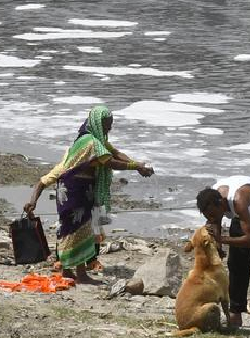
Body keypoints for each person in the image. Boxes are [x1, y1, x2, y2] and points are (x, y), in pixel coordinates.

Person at [24, 105, 154, 283]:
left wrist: (137, 163)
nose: (109, 128)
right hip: (75, 190)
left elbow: (116, 153)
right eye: (107, 125)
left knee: (72, 229)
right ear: (97, 123)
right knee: (80, 230)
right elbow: (109, 161)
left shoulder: (94, 140)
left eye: (111, 125)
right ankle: (81, 274)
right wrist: (136, 167)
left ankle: (68, 270)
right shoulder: (91, 143)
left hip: (77, 190)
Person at [195, 176, 250, 331]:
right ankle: (236, 312)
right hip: (242, 215)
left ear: (221, 204)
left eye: (214, 214)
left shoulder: (239, 201)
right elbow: (215, 222)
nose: (212, 218)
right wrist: (219, 246)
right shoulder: (213, 200)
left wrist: (222, 238)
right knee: (236, 264)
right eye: (208, 216)